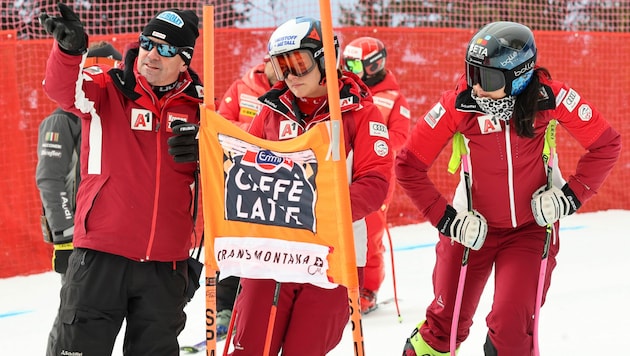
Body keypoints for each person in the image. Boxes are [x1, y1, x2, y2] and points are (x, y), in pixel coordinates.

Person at [396, 21, 621, 356]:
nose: (475, 87)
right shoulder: (459, 105)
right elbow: (408, 164)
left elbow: (606, 144)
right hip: (471, 231)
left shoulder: (550, 98)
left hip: (529, 232)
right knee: (445, 325)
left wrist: (569, 196)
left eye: (486, 78)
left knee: (513, 330)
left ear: (518, 75)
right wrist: (448, 219)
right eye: (471, 73)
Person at [39, 4, 203, 355]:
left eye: (167, 48)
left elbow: (231, 174)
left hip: (166, 265)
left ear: (184, 60)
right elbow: (60, 89)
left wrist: (207, 150)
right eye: (148, 43)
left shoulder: (201, 109)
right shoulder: (108, 87)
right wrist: (69, 51)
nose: (152, 55)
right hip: (101, 257)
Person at [229, 17, 392, 355]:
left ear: (325, 60)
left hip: (332, 258)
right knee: (250, 348)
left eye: (299, 64)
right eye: (281, 66)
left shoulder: (361, 114)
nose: (289, 76)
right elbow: (242, 169)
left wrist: (312, 208)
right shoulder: (272, 113)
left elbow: (375, 185)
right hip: (273, 256)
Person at [36, 41, 122, 278]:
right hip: (81, 236)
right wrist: (64, 237)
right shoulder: (62, 120)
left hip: (113, 233)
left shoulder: (114, 118)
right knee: (78, 312)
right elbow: (50, 179)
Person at [342, 36, 411, 314]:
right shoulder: (345, 90)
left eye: (356, 64)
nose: (351, 68)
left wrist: (369, 146)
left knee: (370, 233)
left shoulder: (393, 98)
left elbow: (400, 137)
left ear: (374, 65)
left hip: (374, 175)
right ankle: (341, 284)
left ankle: (367, 288)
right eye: (347, 63)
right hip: (344, 169)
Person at [214, 54, 278, 339]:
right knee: (235, 245)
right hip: (240, 181)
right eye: (279, 62)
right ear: (268, 62)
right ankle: (225, 309)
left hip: (277, 188)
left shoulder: (297, 92)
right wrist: (255, 138)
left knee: (268, 252)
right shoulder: (243, 88)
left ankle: (262, 309)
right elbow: (221, 124)